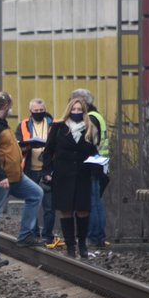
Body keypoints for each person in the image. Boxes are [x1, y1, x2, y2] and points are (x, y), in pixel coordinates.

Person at [0, 92, 44, 267]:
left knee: (36, 194)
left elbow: (4, 148)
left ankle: (25, 235)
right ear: (6, 105)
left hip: (15, 175)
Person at [41, 96, 99, 258]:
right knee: (66, 210)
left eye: (79, 110)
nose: (76, 112)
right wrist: (47, 172)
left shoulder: (90, 127)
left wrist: (96, 167)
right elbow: (48, 151)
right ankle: (70, 246)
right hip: (62, 176)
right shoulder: (59, 127)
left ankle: (82, 244)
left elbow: (94, 151)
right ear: (69, 110)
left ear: (84, 111)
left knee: (83, 211)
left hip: (83, 175)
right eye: (74, 109)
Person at [69, 88, 110, 249]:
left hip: (92, 165)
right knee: (97, 203)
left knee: (92, 203)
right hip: (100, 164)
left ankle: (94, 237)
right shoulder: (97, 115)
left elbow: (88, 143)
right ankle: (98, 236)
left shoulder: (90, 119)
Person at [16, 98, 58, 247]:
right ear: (30, 112)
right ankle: (32, 234)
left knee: (49, 206)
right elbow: (17, 146)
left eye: (41, 111)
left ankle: (48, 235)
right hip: (29, 170)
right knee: (32, 203)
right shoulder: (22, 125)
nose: (39, 113)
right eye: (36, 111)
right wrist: (26, 147)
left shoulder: (53, 125)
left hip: (47, 170)